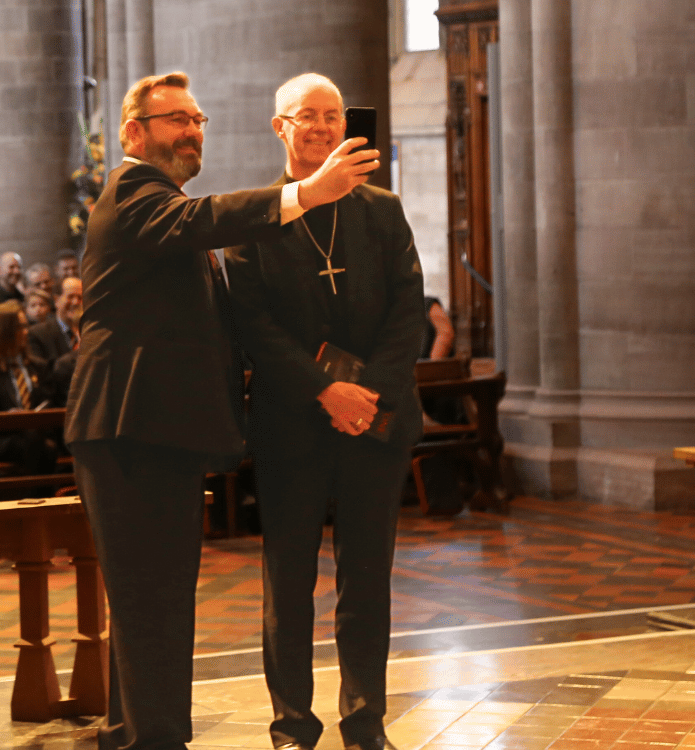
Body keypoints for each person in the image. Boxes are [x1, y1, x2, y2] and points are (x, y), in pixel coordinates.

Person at [64, 71, 377, 750]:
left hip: (151, 429)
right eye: (175, 118)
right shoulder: (133, 191)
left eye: (198, 118)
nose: (191, 130)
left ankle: (131, 735)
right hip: (131, 426)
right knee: (156, 601)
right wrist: (305, 193)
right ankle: (156, 741)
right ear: (133, 133)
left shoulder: (161, 205)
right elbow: (206, 219)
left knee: (150, 598)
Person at [225, 73, 424, 750]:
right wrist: (325, 389)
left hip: (376, 421)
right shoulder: (255, 217)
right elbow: (251, 323)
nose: (321, 126)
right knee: (290, 578)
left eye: (332, 114)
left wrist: (368, 394)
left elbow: (408, 308)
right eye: (305, 116)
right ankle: (291, 725)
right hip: (293, 424)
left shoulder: (382, 210)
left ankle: (364, 719)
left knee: (368, 575)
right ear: (279, 126)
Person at [0, 301, 58, 475]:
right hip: (4, 436)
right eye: (20, 328)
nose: (26, 332)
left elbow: (49, 400)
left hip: (37, 433)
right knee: (38, 445)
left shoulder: (37, 366)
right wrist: (9, 416)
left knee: (45, 443)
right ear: (4, 332)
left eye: (26, 326)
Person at [28, 276, 81, 363]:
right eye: (70, 297)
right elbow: (45, 373)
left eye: (80, 297)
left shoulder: (89, 331)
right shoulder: (37, 334)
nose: (75, 302)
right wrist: (79, 351)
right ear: (57, 300)